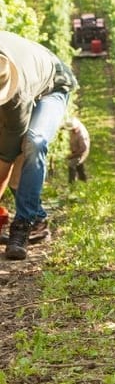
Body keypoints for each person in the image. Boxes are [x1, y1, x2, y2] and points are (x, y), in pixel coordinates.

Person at [0, 31, 77, 260]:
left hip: (53, 83)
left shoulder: (16, 98)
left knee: (33, 143)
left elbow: (5, 159)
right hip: (28, 67)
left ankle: (24, 224)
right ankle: (38, 215)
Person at [64, 116, 90, 183]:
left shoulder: (82, 135)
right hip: (76, 150)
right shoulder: (75, 127)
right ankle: (83, 181)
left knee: (72, 165)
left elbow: (83, 149)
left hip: (81, 152)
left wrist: (72, 156)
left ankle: (72, 184)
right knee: (79, 166)